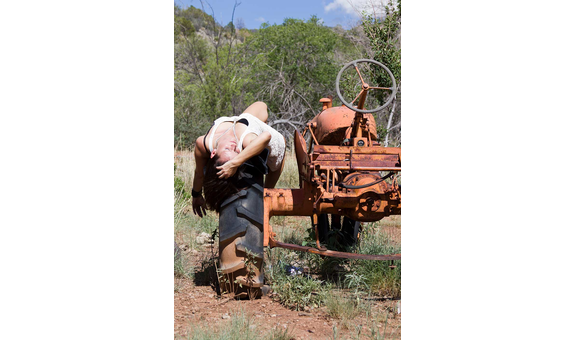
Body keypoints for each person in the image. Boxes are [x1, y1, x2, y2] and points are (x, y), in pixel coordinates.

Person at [191, 101, 286, 217]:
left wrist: (195, 194)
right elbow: (266, 136)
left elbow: (199, 173)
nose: (233, 145)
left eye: (227, 149)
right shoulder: (244, 139)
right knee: (267, 192)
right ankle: (265, 206)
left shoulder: (203, 143)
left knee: (261, 106)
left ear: (213, 152)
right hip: (275, 148)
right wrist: (235, 163)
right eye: (236, 151)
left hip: (244, 124)